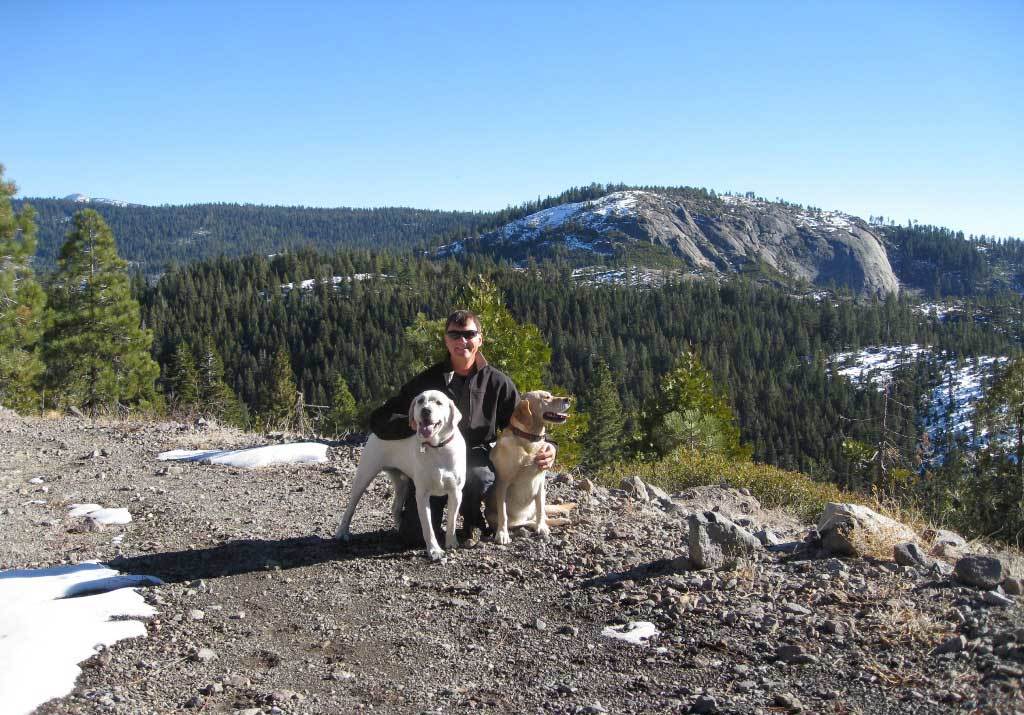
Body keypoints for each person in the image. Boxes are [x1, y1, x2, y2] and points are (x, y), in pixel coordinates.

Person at [368, 309, 556, 543]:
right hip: (431, 459)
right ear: (446, 340)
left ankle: (472, 518)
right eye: (454, 335)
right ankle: (414, 504)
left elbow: (524, 426)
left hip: (474, 457)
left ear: (480, 338)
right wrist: (416, 428)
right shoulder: (428, 381)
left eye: (469, 334)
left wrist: (549, 448)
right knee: (413, 539)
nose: (462, 341)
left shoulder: (498, 383)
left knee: (477, 476)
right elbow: (380, 419)